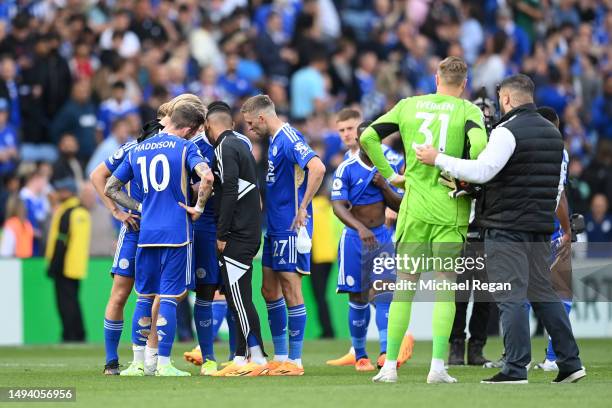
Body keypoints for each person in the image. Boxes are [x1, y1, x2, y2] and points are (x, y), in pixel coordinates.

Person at [416, 74, 585, 384]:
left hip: (507, 228)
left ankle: (515, 368)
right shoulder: (553, 134)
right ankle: (571, 362)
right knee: (544, 293)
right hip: (538, 227)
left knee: (511, 297)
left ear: (506, 99)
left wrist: (438, 158)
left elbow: (483, 171)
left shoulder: (507, 131)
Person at [360, 56, 488, 384]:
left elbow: (368, 137)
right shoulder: (468, 111)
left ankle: (389, 368)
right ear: (464, 84)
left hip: (414, 210)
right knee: (445, 288)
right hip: (449, 211)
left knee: (405, 288)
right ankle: (437, 367)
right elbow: (481, 149)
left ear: (436, 78)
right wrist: (462, 178)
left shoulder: (408, 106)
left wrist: (392, 176)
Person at [90, 94, 200, 375]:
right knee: (123, 294)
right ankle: (113, 360)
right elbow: (98, 176)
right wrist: (117, 213)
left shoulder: (182, 146)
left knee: (157, 296)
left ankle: (149, 359)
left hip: (156, 226)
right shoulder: (134, 147)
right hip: (136, 229)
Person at [241, 94, 326, 376]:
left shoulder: (289, 137)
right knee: (269, 289)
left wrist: (303, 207)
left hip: (291, 227)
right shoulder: (274, 141)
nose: (251, 129)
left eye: (252, 123)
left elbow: (318, 167)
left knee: (291, 288)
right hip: (274, 226)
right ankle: (280, 356)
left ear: (262, 118)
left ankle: (296, 361)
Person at [329, 120, 406, 371]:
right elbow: (338, 205)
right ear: (360, 142)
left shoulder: (389, 167)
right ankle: (361, 355)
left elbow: (398, 205)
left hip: (382, 238)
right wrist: (359, 228)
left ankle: (385, 353)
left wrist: (384, 185)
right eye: (366, 140)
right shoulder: (347, 168)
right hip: (354, 240)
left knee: (384, 294)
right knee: (359, 297)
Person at [182, 101, 252, 376]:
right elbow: (190, 184)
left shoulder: (238, 143)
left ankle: (238, 356)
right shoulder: (193, 146)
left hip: (233, 225)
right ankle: (208, 357)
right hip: (205, 225)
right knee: (206, 290)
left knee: (235, 291)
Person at [203, 101, 268, 377]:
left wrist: (222, 233)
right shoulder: (240, 145)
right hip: (249, 230)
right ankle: (241, 355)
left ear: (209, 126)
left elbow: (229, 190)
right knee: (236, 296)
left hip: (239, 234)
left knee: (240, 299)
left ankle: (258, 356)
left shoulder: (223, 148)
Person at [45, 176, 91, 343]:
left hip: (64, 265)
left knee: (65, 304)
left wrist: (54, 265)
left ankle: (70, 335)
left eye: (61, 190)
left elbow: (61, 240)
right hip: (76, 265)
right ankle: (78, 333)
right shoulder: (81, 211)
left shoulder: (67, 211)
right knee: (73, 301)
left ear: (69, 192)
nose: (58, 193)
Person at [0, 193, 33, 258]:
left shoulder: (11, 224)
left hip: (13, 262)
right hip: (26, 262)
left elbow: (5, 251)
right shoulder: (27, 224)